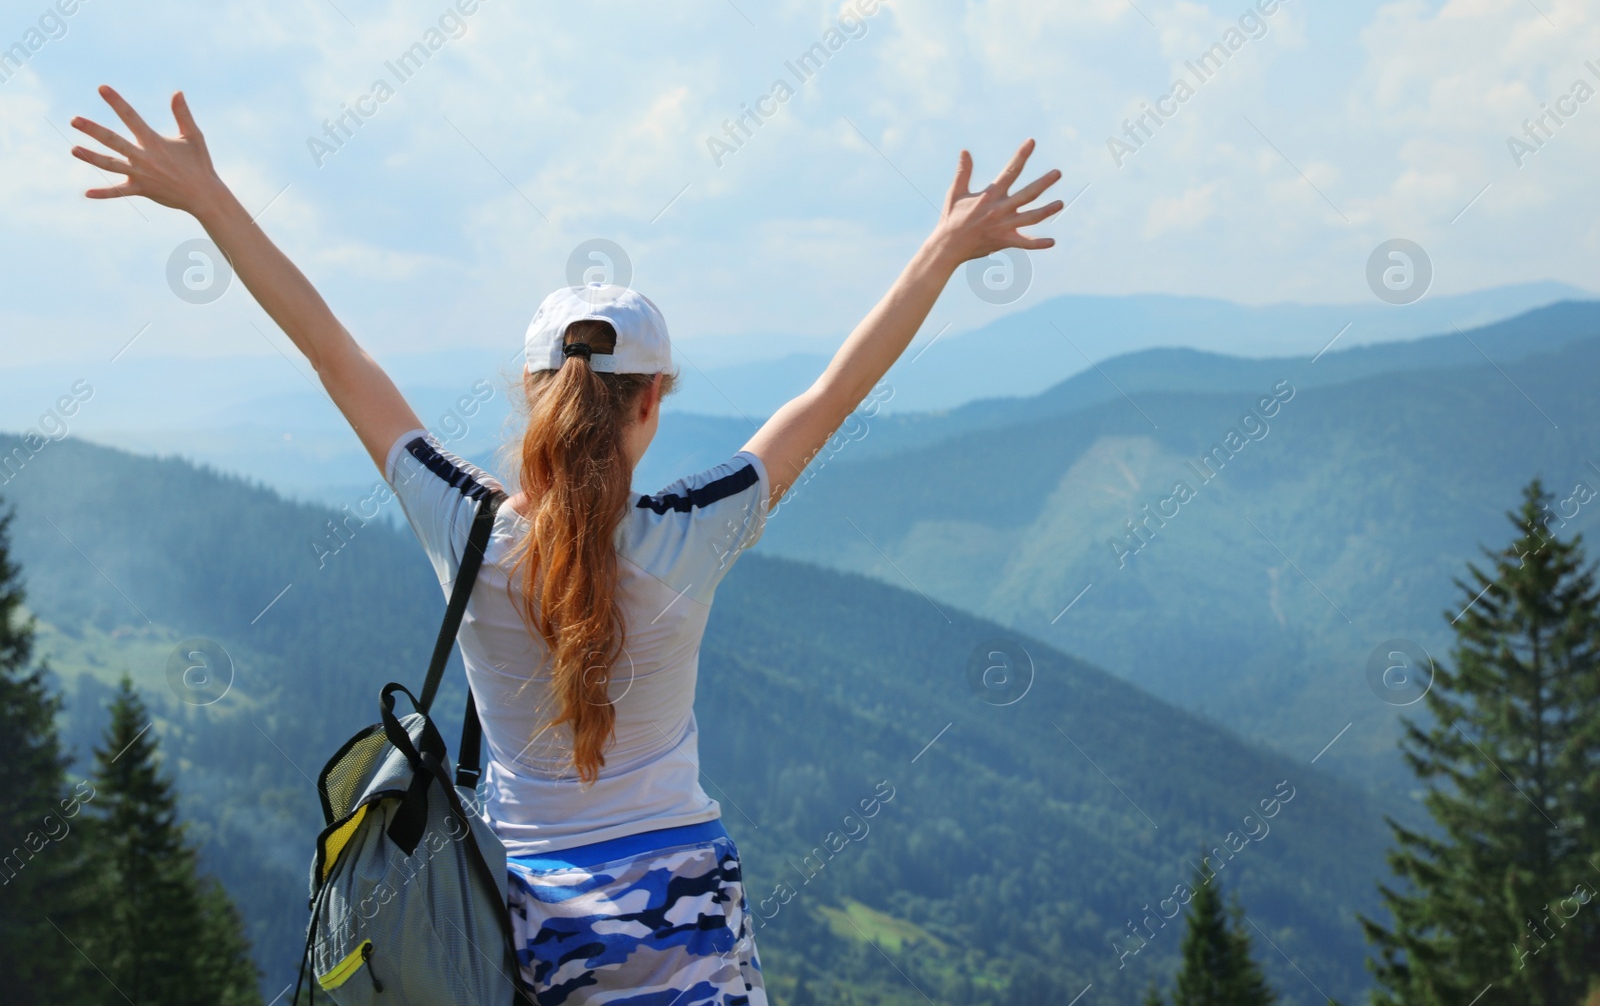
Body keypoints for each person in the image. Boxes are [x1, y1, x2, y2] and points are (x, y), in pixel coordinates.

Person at [69, 84, 1062, 1003]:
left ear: (532, 395)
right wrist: (942, 250)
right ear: (654, 403)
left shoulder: (466, 529)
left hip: (529, 917)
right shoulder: (693, 531)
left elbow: (337, 355)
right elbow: (831, 394)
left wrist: (207, 199)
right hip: (691, 917)